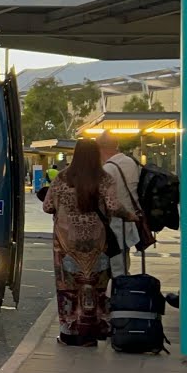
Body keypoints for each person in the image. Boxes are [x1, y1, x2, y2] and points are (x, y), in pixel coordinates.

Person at [42, 139, 137, 347]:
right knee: (96, 286)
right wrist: (130, 215)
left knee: (68, 288)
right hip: (96, 243)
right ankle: (91, 333)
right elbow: (113, 206)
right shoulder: (104, 178)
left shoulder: (62, 177)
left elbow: (47, 206)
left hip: (66, 245)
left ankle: (69, 333)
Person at [97, 132, 142, 275]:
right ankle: (123, 293)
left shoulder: (107, 169)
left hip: (114, 226)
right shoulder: (131, 162)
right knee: (123, 265)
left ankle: (117, 295)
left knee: (116, 270)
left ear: (100, 148)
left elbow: (104, 199)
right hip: (129, 223)